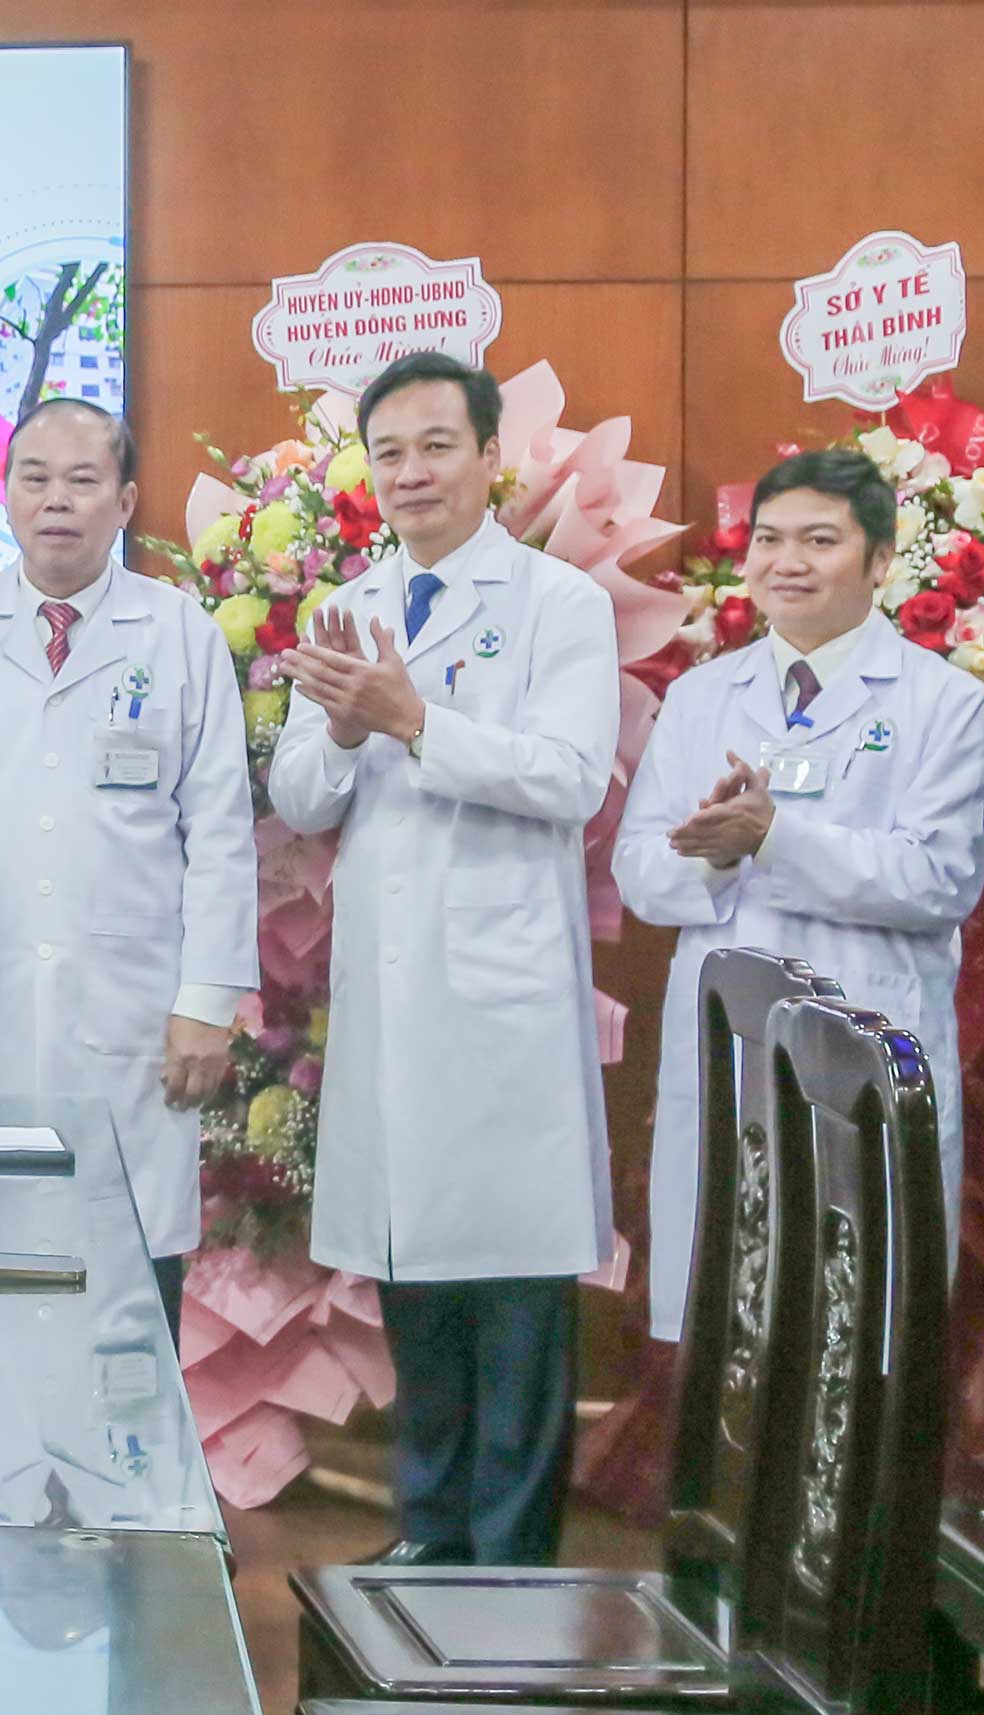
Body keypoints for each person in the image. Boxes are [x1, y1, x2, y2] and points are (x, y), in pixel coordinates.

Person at [268, 352, 619, 1568]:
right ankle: (428, 1537)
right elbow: (302, 797)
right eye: (391, 452)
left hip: (502, 999)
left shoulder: (557, 603)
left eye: (436, 445)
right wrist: (342, 728)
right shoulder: (350, 601)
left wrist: (416, 719)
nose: (412, 472)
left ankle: (508, 1562)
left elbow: (570, 778)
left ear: (488, 458)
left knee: (513, 1289)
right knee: (413, 1273)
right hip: (392, 999)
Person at [614, 449, 984, 1342]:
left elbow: (939, 879)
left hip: (870, 1039)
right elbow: (639, 871)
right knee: (732, 1327)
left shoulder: (945, 704)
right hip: (732, 1045)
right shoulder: (703, 696)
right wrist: (713, 857)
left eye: (820, 540)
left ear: (881, 560)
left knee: (858, 1335)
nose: (787, 561)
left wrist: (774, 837)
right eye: (769, 539)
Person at [0, 399, 258, 1337]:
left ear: (126, 500)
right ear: (4, 494)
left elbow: (220, 830)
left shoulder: (179, 631)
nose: (56, 500)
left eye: (82, 480)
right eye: (35, 478)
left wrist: (208, 1002)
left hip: (134, 1017)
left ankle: (130, 1444)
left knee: (125, 1308)